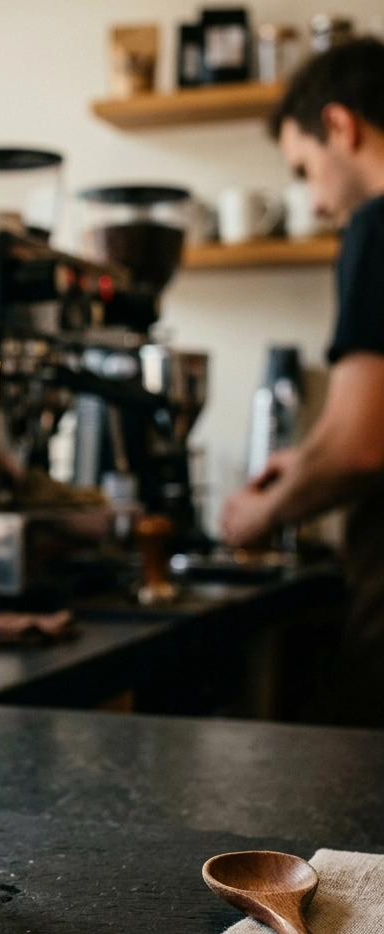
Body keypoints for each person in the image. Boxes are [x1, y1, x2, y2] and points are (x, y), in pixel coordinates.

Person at [220, 38, 384, 725]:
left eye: (304, 167)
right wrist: (304, 464)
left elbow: (358, 446)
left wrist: (263, 511)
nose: (313, 202)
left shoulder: (377, 224)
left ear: (340, 126)